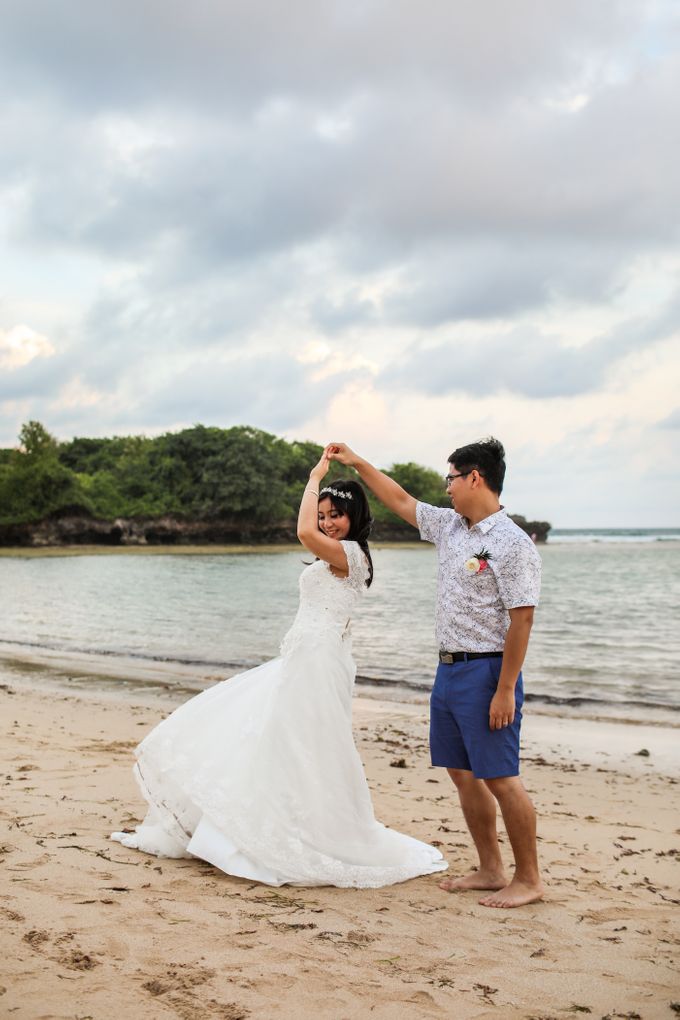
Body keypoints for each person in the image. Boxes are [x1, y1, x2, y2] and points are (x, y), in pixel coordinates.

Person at [111, 452, 447, 888]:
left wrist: (315, 476)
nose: (327, 523)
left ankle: (301, 833)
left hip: (320, 663)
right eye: (324, 514)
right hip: (302, 658)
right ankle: (255, 825)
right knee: (278, 742)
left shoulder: (352, 556)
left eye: (337, 515)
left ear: (355, 517)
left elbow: (303, 531)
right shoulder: (333, 557)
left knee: (305, 746)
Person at [325, 438, 543, 908]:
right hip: (447, 670)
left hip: (487, 671)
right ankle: (490, 868)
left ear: (474, 478)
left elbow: (522, 619)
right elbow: (401, 500)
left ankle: (528, 879)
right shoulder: (450, 527)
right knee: (462, 774)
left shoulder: (511, 542)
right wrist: (357, 461)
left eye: (450, 478)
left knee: (501, 777)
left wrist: (505, 688)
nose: (446, 488)